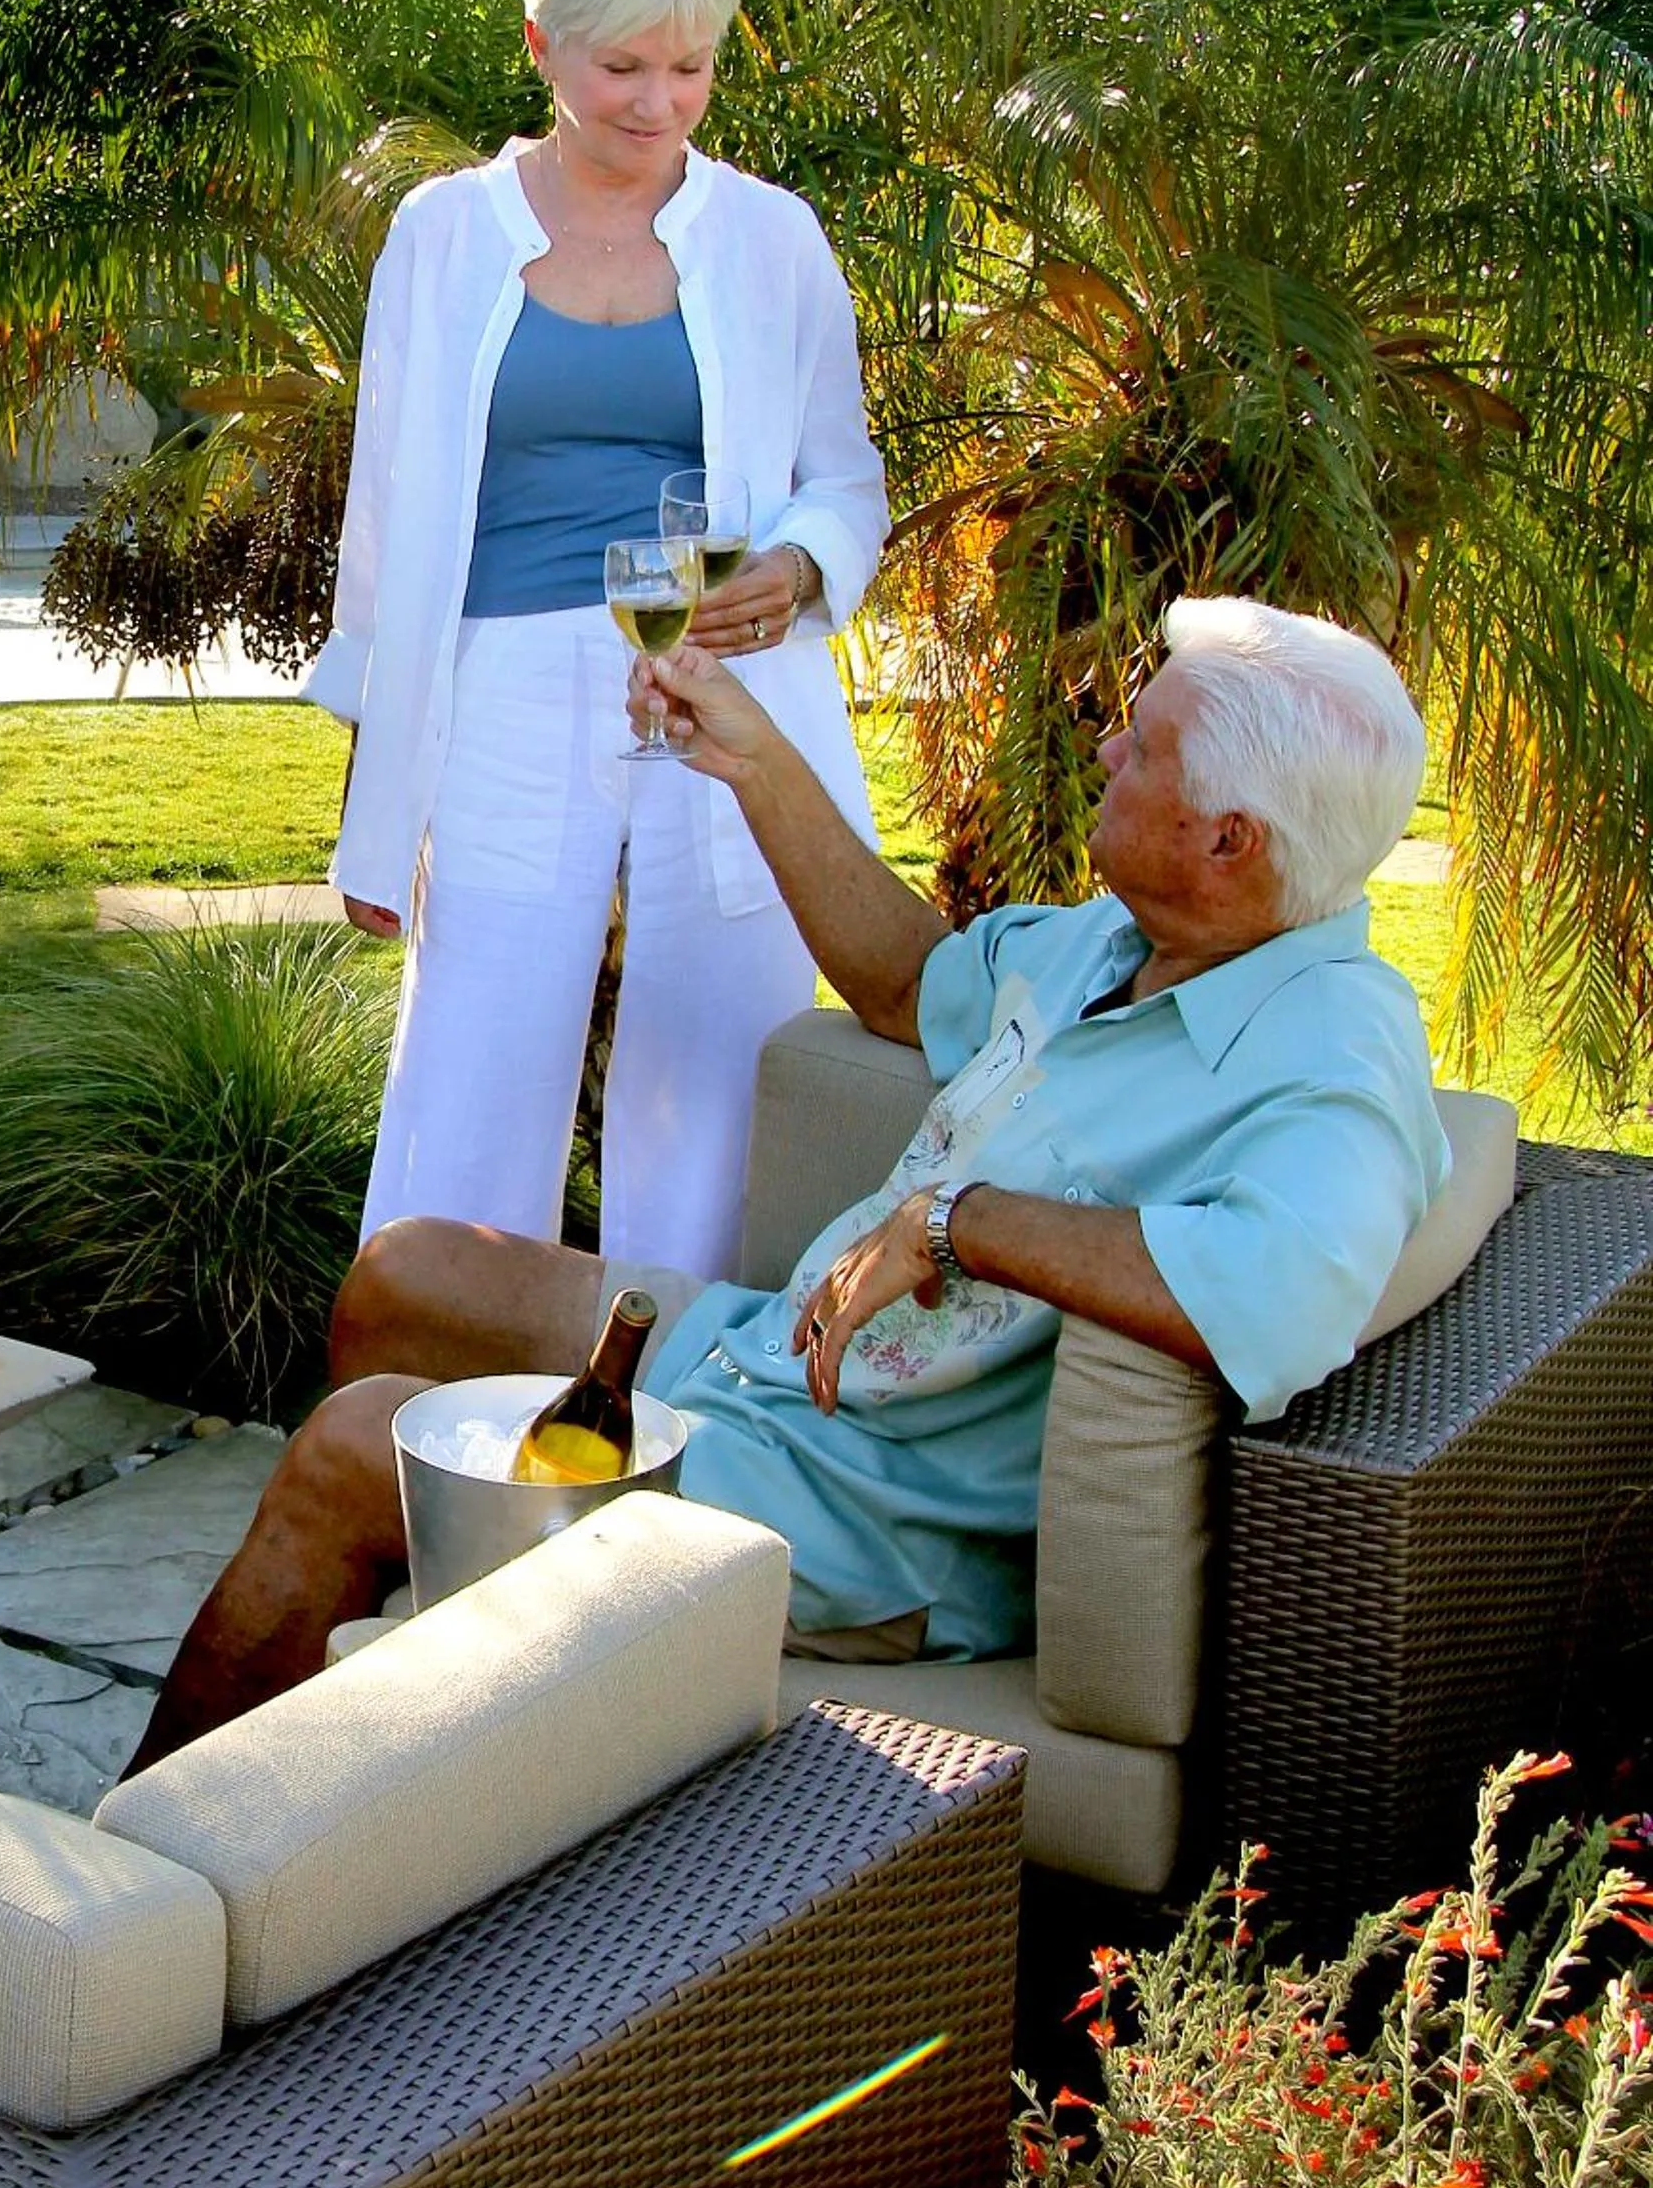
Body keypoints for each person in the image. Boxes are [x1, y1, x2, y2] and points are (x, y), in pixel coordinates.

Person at [126, 597, 1449, 1774]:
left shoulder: (1335, 1061)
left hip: (874, 1512)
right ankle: (402, 1706)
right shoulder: (1121, 943)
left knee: (360, 1450)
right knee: (408, 1275)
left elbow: (1277, 1300)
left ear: (1228, 839)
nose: (1106, 749)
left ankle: (151, 1884)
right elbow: (905, 981)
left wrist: (959, 1223)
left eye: (1142, 747)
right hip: (765, 1363)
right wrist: (750, 754)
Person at [312, 0, 888, 1283]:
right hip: (501, 691)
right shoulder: (443, 236)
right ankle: (436, 1373)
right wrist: (380, 796)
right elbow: (385, 514)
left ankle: (692, 1387)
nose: (658, 102)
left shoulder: (775, 240)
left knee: (725, 1062)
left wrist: (800, 567)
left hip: (727, 689)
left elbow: (845, 478)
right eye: (622, 65)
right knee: (474, 1062)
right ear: (540, 42)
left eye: (690, 67)